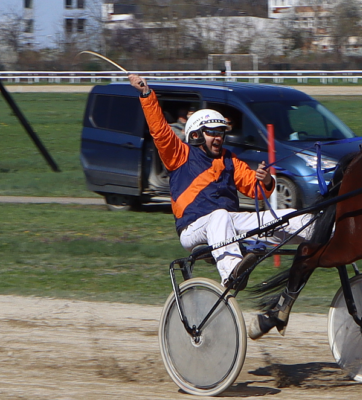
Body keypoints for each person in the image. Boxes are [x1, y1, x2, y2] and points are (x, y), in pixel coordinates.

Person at [129, 72, 313, 287]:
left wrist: (264, 181)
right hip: (194, 229)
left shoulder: (230, 160)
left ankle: (332, 238)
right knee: (220, 216)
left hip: (229, 225)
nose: (218, 138)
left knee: (292, 217)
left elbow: (253, 190)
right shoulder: (180, 155)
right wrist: (146, 94)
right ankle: (232, 274)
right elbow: (160, 131)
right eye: (212, 133)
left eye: (221, 133)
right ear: (196, 135)